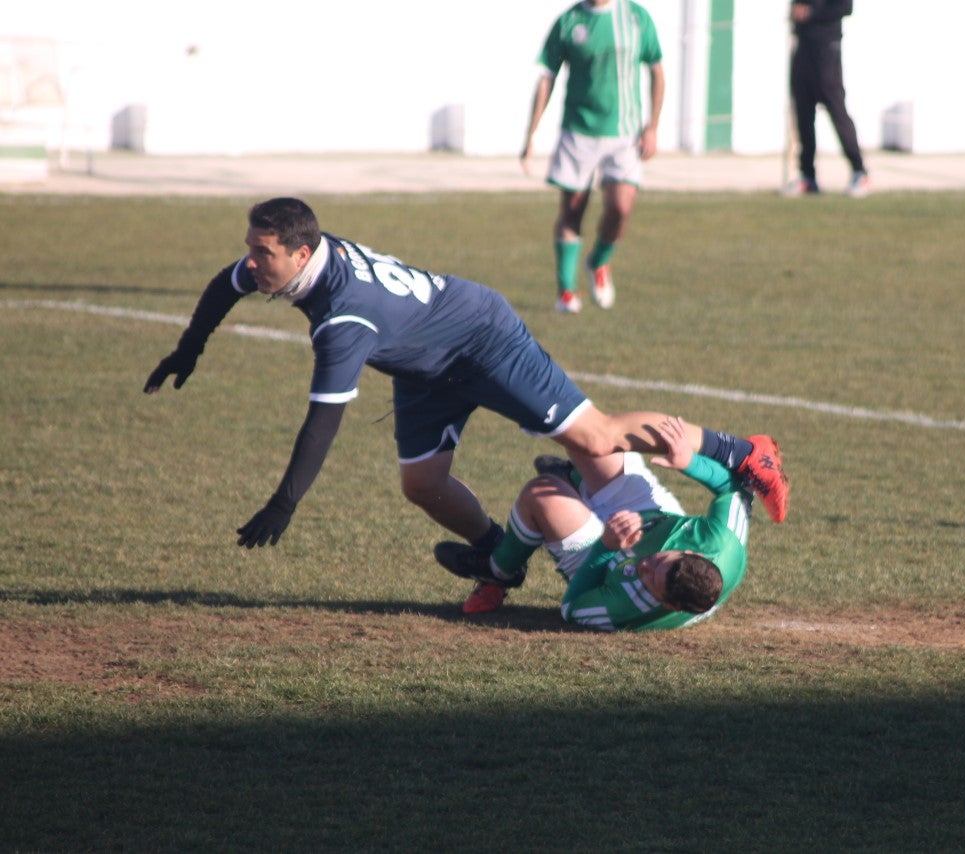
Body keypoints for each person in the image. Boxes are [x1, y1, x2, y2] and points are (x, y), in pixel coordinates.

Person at [142, 198, 789, 564]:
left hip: (482, 335)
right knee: (421, 484)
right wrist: (188, 350)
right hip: (425, 363)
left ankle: (742, 451)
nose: (252, 263)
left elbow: (323, 421)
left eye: (264, 254)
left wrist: (285, 502)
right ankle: (494, 552)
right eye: (252, 249)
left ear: (303, 254)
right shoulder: (302, 254)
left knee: (594, 439)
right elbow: (223, 286)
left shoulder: (344, 317)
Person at [436, 417, 750, 631]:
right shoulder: (723, 544)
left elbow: (571, 608)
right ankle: (575, 478)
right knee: (588, 436)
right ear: (691, 553)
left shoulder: (627, 608)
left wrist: (605, 546)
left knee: (542, 493)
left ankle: (499, 572)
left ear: (667, 604)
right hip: (652, 514)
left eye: (651, 579)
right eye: (659, 561)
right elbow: (738, 488)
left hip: (601, 560)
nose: (646, 566)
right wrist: (689, 461)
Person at [519, 0, 665, 314]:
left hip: (624, 135)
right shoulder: (569, 22)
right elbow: (547, 77)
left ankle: (598, 261)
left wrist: (652, 127)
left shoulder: (636, 18)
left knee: (621, 207)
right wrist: (531, 134)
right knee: (572, 210)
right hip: (578, 132)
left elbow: (657, 70)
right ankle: (566, 292)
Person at [783, 0, 869, 198]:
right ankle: (807, 176)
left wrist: (812, 12)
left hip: (826, 48)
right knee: (803, 113)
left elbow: (845, 7)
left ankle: (859, 171)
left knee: (836, 109)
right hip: (803, 45)